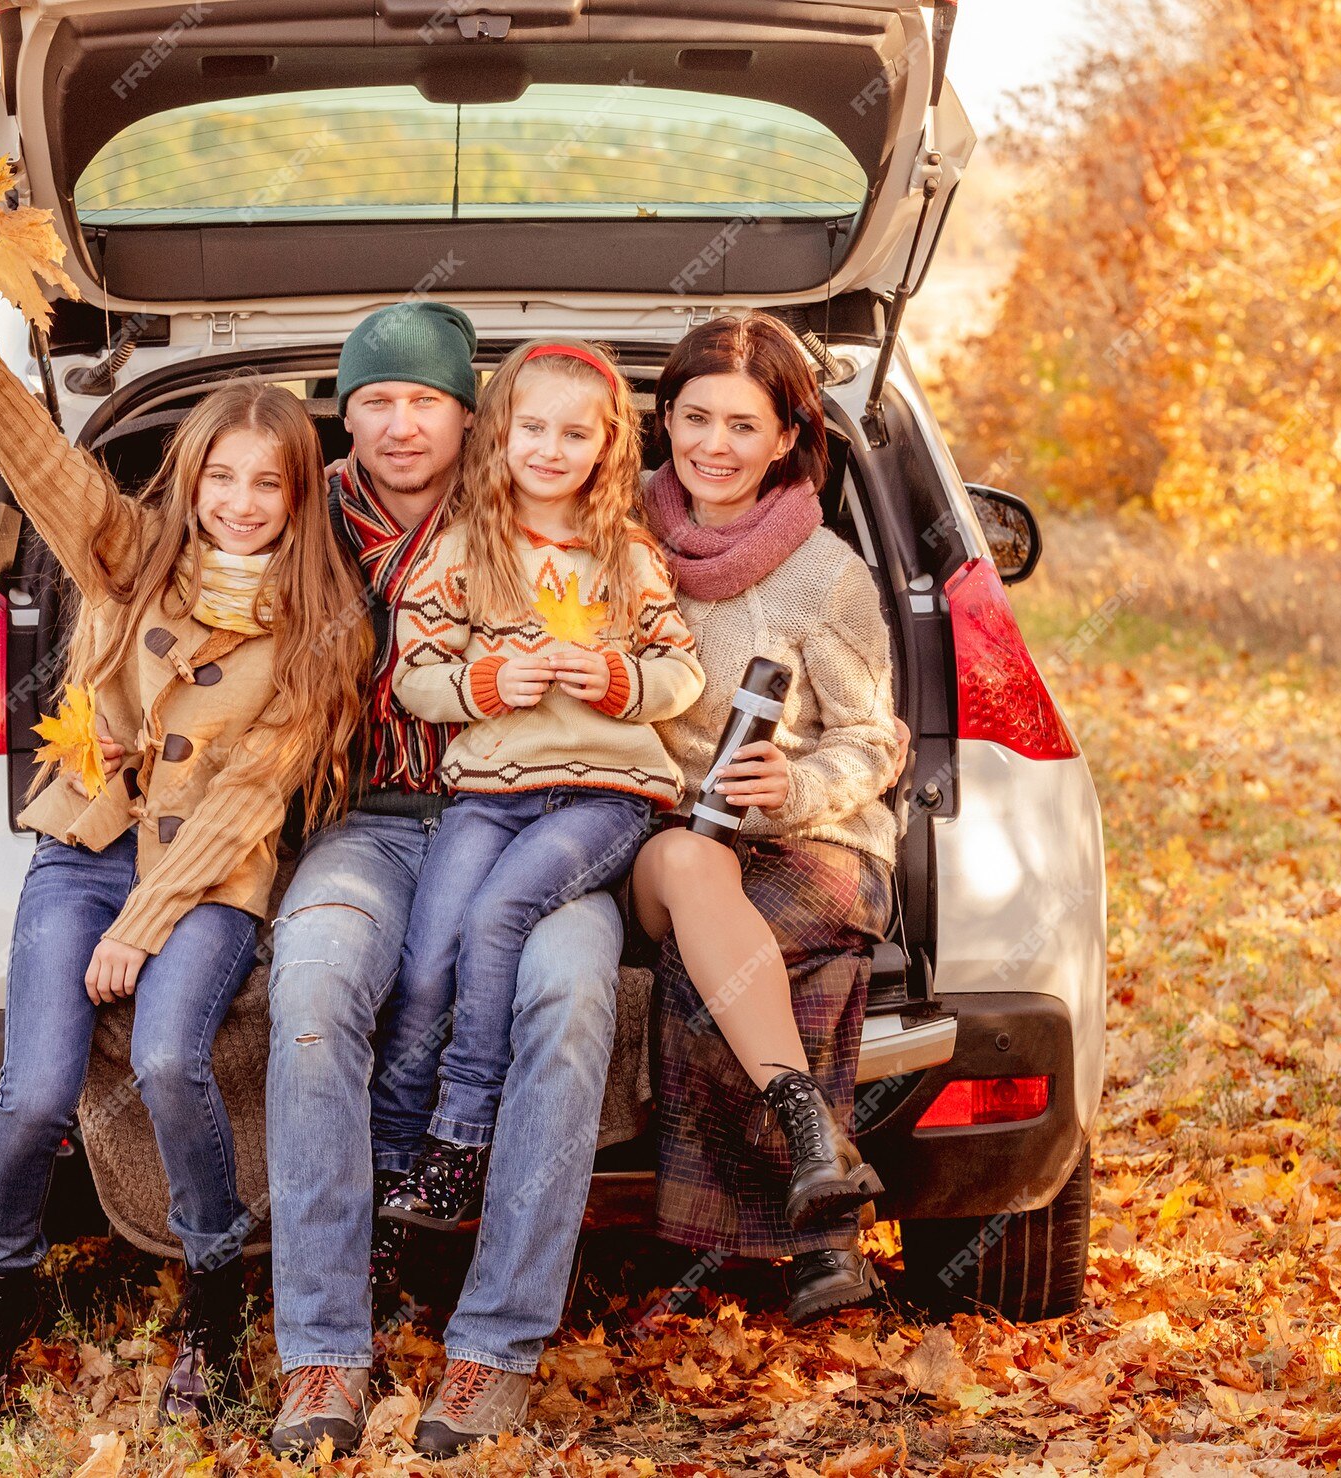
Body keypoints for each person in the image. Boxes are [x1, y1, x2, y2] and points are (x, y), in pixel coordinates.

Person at [0, 235, 369, 1419]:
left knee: (171, 1056)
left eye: (266, 481)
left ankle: (213, 1305)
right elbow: (29, 448)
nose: (238, 500)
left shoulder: (322, 627)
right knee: (31, 1091)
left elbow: (247, 796)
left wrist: (144, 922)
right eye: (221, 474)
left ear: (299, 492)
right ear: (190, 473)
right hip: (87, 845)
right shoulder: (128, 552)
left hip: (208, 872)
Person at [263, 303, 628, 1459]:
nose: (398, 422)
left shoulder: (540, 503)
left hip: (535, 825)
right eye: (373, 398)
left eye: (425, 399)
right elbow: (144, 553)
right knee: (315, 986)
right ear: (344, 411)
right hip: (367, 825)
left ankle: (492, 1349)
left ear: (472, 415)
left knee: (570, 1001)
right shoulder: (296, 509)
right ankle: (322, 1339)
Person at [376, 340, 703, 1229]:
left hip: (604, 796)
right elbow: (413, 676)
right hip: (489, 790)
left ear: (607, 447)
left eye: (574, 433)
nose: (551, 450)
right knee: (427, 957)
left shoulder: (627, 557)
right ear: (500, 434)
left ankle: (460, 1138)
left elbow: (681, 675)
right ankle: (396, 1169)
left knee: (498, 916)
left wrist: (612, 678)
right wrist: (485, 686)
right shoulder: (460, 552)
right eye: (533, 429)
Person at [630, 313, 904, 1322]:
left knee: (772, 945)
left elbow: (874, 739)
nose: (713, 444)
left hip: (809, 832)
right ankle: (817, 1220)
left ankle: (790, 1224)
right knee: (701, 894)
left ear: (786, 436)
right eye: (694, 417)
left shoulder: (823, 570)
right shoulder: (615, 543)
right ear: (662, 419)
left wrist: (786, 790)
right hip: (659, 835)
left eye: (742, 425)